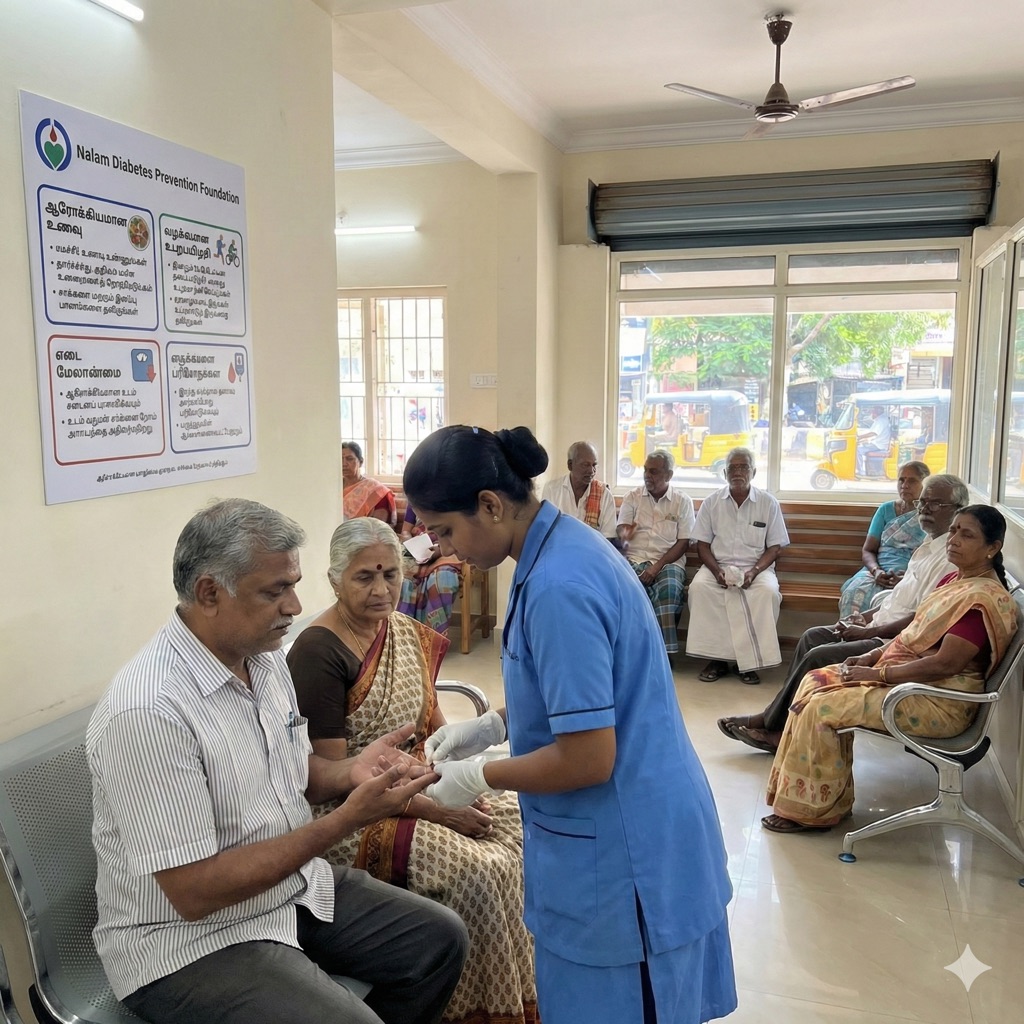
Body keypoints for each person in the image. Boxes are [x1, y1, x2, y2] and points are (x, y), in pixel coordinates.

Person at [401, 425, 736, 1024]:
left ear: (490, 504)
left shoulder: (559, 586)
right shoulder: (558, 549)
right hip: (626, 831)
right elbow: (574, 695)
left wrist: (478, 775)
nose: (445, 549)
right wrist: (489, 727)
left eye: (446, 530)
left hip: (627, 857)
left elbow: (588, 758)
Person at [86, 499, 468, 1024]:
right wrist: (346, 818)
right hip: (187, 942)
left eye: (294, 584)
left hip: (286, 889)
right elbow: (195, 893)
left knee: (439, 941)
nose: (294, 605)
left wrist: (350, 772)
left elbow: (296, 775)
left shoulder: (263, 663)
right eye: (275, 590)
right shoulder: (150, 711)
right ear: (209, 593)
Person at [288, 517, 536, 1024]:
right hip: (355, 814)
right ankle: (469, 1011)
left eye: (391, 575)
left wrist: (459, 778)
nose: (381, 590)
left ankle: (521, 995)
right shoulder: (318, 652)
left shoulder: (401, 630)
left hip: (422, 786)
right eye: (364, 577)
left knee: (524, 825)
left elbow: (432, 729)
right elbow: (330, 777)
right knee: (479, 872)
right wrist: (441, 810)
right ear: (335, 580)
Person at [762, 504, 1018, 833]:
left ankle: (811, 811)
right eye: (953, 530)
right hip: (909, 682)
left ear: (992, 548)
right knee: (814, 680)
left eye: (966, 535)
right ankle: (830, 799)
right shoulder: (956, 580)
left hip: (937, 701)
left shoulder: (980, 599)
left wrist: (876, 674)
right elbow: (912, 636)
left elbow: (946, 663)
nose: (953, 539)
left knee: (820, 707)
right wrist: (871, 657)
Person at [717, 474, 967, 754]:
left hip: (893, 642)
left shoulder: (950, 559)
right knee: (812, 637)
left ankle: (773, 727)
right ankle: (780, 721)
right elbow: (897, 599)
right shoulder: (928, 547)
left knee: (819, 655)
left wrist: (869, 632)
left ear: (959, 510)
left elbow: (921, 619)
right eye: (923, 502)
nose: (924, 509)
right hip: (881, 624)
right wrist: (866, 616)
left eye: (935, 504)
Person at [686, 448, 789, 685]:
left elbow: (775, 548)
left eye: (743, 467)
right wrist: (716, 571)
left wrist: (753, 571)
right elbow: (701, 545)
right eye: (732, 467)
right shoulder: (712, 502)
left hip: (757, 568)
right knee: (699, 589)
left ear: (753, 471)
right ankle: (717, 660)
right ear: (724, 472)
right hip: (717, 565)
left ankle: (748, 663)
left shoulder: (767, 503)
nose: (738, 472)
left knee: (767, 593)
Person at [615, 449, 695, 654]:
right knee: (624, 589)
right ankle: (631, 651)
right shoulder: (633, 497)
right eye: (645, 470)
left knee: (668, 592)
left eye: (653, 471)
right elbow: (622, 535)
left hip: (667, 561)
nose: (647, 475)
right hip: (634, 557)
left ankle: (663, 654)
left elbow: (684, 542)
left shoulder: (681, 501)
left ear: (668, 475)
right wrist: (627, 533)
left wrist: (657, 567)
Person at [838, 461, 930, 617]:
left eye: (912, 480)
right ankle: (848, 636)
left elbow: (930, 555)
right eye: (901, 480)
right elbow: (868, 549)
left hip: (910, 573)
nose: (905, 485)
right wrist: (876, 571)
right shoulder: (886, 509)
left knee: (898, 601)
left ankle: (879, 640)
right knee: (854, 592)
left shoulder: (930, 514)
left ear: (925, 484)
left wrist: (905, 577)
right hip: (877, 569)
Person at [398, 504, 463, 635]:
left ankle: (432, 638)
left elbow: (461, 532)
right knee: (402, 580)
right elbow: (406, 530)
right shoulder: (415, 499)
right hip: (417, 553)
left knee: (441, 580)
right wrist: (411, 543)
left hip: (450, 549)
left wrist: (440, 549)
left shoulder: (455, 497)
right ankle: (405, 637)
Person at [540, 440, 616, 538]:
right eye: (585, 465)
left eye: (594, 465)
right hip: (560, 549)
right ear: (570, 465)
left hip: (592, 551)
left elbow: (608, 538)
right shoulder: (551, 489)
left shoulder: (604, 495)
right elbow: (545, 529)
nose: (591, 471)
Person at [343, 441, 397, 527]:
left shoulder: (374, 489)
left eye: (349, 459)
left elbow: (378, 526)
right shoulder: (333, 488)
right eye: (340, 459)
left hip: (364, 535)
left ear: (360, 462)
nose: (344, 464)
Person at [857, 405, 893, 476]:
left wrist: (860, 437)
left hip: (879, 445)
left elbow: (874, 433)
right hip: (876, 443)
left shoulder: (881, 421)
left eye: (873, 412)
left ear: (876, 412)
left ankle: (860, 471)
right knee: (860, 445)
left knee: (858, 450)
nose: (871, 414)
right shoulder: (879, 419)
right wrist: (862, 439)